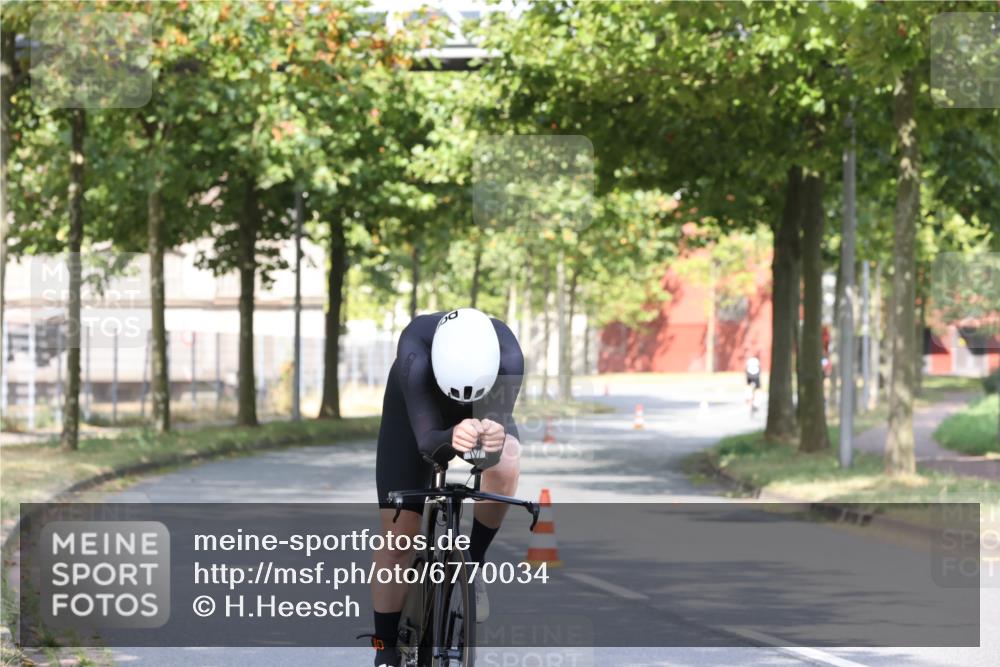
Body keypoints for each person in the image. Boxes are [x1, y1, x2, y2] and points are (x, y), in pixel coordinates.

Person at [368, 308, 523, 667]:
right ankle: (384, 649)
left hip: (481, 407)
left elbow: (492, 448)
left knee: (508, 460)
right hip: (417, 415)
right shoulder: (415, 350)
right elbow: (427, 445)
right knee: (398, 539)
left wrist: (493, 437)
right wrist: (449, 437)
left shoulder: (509, 355)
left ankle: (473, 565)